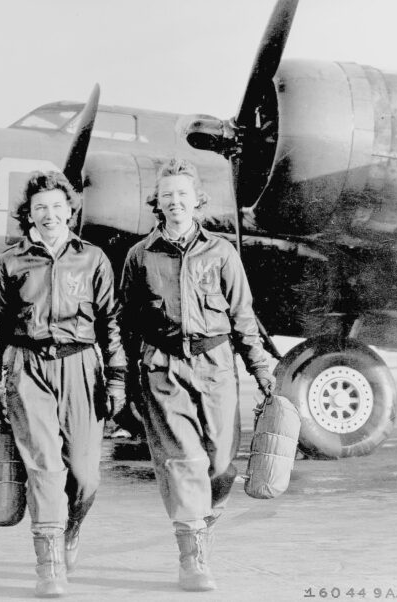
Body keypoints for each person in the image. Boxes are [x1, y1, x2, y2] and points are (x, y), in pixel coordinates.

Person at [119, 158, 275, 592]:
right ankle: (192, 557)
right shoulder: (139, 256)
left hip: (216, 366)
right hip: (163, 369)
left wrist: (260, 369)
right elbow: (126, 322)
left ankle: (203, 521)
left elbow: (243, 316)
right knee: (183, 462)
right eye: (167, 195)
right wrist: (124, 380)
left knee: (221, 465)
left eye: (182, 194)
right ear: (158, 202)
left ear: (197, 201)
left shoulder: (221, 251)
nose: (175, 202)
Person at [0, 170, 126, 598]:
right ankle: (49, 565)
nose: (49, 214)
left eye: (57, 206)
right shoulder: (10, 262)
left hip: (80, 366)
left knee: (84, 475)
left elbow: (111, 323)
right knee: (44, 468)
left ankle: (71, 527)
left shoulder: (93, 258)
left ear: (70, 210)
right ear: (28, 213)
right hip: (27, 368)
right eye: (39, 207)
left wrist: (116, 378)